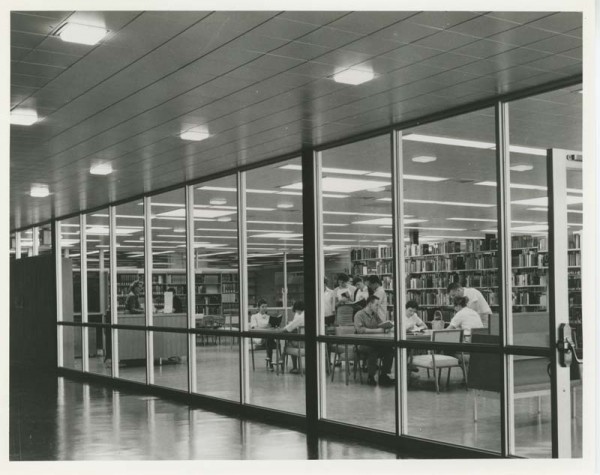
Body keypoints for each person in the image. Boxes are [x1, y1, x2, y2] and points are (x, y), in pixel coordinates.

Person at [353, 295, 395, 386]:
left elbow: (380, 325)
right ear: (369, 304)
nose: (378, 307)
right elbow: (360, 330)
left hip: (375, 342)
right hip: (362, 344)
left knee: (390, 350)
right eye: (376, 305)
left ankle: (384, 376)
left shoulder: (375, 315)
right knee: (373, 349)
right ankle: (371, 377)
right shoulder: (359, 315)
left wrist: (387, 327)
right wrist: (378, 331)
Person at [250, 299, 277, 371]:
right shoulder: (254, 316)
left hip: (268, 337)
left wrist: (273, 326)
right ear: (258, 307)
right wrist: (265, 328)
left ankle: (270, 361)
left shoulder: (268, 317)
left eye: (266, 307)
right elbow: (254, 328)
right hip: (259, 337)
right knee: (269, 339)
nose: (264, 308)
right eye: (263, 307)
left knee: (269, 338)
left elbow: (271, 328)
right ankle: (271, 363)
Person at [282, 301, 305, 374]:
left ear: (298, 308)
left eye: (296, 310)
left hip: (303, 344)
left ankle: (295, 367)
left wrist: (283, 329)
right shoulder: (305, 314)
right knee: (292, 339)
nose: (296, 312)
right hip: (311, 342)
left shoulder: (301, 316)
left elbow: (291, 326)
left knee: (289, 343)